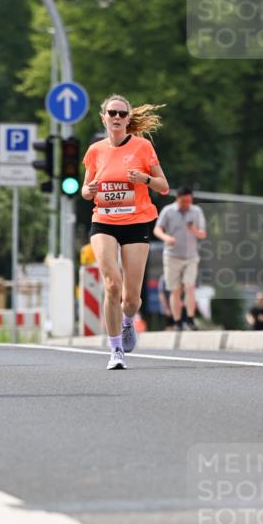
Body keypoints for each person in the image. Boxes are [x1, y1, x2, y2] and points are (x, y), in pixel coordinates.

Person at [82, 94, 169, 369]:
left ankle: (128, 321)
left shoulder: (142, 147)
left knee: (130, 298)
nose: (117, 117)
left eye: (122, 113)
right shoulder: (95, 151)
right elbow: (85, 190)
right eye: (112, 113)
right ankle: (115, 350)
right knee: (111, 284)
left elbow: (163, 186)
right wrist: (90, 190)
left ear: (128, 119)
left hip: (136, 222)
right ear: (103, 117)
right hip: (104, 222)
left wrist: (143, 178)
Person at [153, 186, 207, 331]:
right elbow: (157, 229)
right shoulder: (168, 211)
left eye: (189, 201)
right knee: (175, 290)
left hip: (191, 256)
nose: (186, 205)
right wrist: (166, 238)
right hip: (172, 256)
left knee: (189, 286)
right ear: (177, 199)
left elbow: (203, 234)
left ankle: (190, 319)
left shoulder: (196, 211)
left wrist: (194, 230)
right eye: (183, 201)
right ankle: (177, 321)